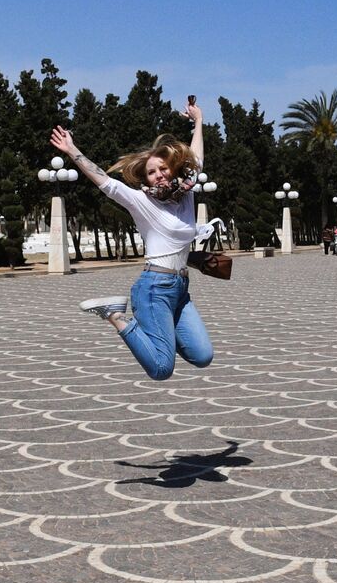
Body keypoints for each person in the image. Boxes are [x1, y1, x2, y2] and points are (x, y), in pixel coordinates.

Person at [50, 98, 214, 380]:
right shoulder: (141, 201)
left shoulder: (186, 192)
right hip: (154, 289)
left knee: (202, 356)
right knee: (162, 369)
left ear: (173, 168)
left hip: (179, 289)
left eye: (163, 169)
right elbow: (105, 182)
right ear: (146, 179)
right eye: (151, 173)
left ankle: (156, 338)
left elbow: (196, 158)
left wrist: (198, 120)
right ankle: (114, 315)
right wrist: (72, 150)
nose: (159, 175)